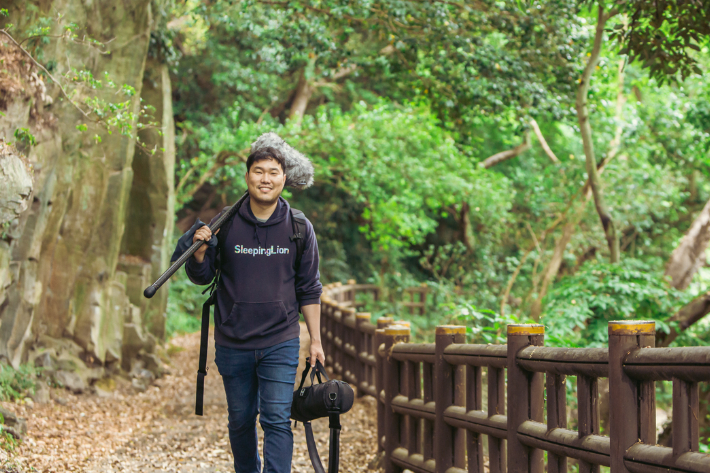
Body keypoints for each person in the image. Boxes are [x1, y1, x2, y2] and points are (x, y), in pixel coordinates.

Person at [185, 146, 324, 473]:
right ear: (247, 176)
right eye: (258, 171)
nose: (266, 179)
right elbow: (202, 276)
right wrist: (201, 253)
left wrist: (315, 340)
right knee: (241, 420)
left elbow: (309, 288)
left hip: (281, 338)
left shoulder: (298, 227)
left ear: (284, 178)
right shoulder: (226, 222)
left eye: (273, 172)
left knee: (277, 419)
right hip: (234, 340)